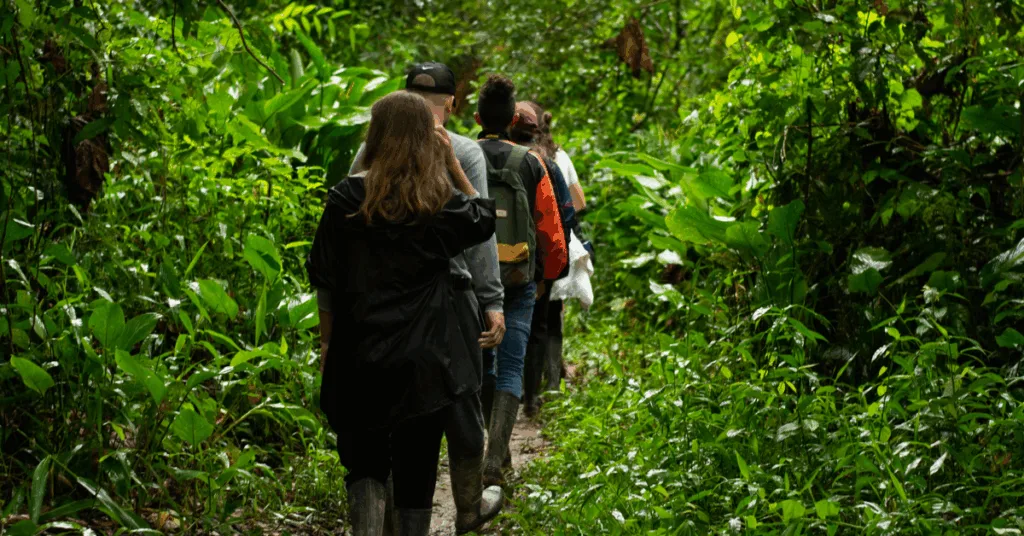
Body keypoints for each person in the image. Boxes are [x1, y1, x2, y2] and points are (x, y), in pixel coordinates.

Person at [308, 91, 497, 536]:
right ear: (425, 140)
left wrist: (326, 342)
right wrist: (452, 164)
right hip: (424, 360)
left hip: (358, 355)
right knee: (416, 467)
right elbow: (484, 218)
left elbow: (325, 281)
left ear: (375, 135)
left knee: (364, 464)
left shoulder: (344, 199)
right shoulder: (434, 202)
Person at [474, 75, 569, 486]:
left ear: (476, 117)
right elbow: (552, 230)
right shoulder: (533, 163)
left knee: (483, 367)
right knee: (512, 362)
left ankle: (496, 452)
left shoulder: (460, 155)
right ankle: (496, 461)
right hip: (518, 279)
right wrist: (546, 277)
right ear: (514, 118)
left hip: (473, 283)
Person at [509, 101, 579, 418]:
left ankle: (499, 400)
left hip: (488, 263)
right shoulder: (546, 163)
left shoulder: (479, 155)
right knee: (538, 327)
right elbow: (562, 217)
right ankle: (532, 397)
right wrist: (550, 272)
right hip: (532, 264)